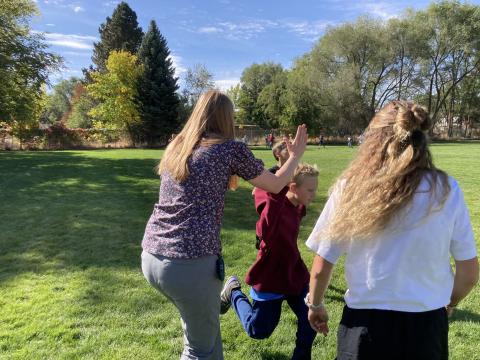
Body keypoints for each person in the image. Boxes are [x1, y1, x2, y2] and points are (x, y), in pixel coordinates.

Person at [304, 100, 478, 360]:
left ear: (374, 141)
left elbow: (321, 266)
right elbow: (469, 272)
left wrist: (315, 305)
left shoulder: (350, 187)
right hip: (426, 330)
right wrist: (450, 303)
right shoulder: (446, 189)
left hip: (363, 329)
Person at [141, 90, 308, 360]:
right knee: (199, 349)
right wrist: (295, 157)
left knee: (204, 334)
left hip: (152, 257)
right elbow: (276, 185)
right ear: (226, 119)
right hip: (188, 263)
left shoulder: (178, 145)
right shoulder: (230, 149)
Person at [220, 163, 319, 360]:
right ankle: (233, 292)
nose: (314, 195)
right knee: (258, 331)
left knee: (310, 318)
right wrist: (272, 190)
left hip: (293, 273)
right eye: (310, 190)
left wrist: (287, 162)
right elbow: (266, 224)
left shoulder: (299, 206)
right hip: (270, 276)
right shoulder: (273, 210)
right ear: (292, 188)